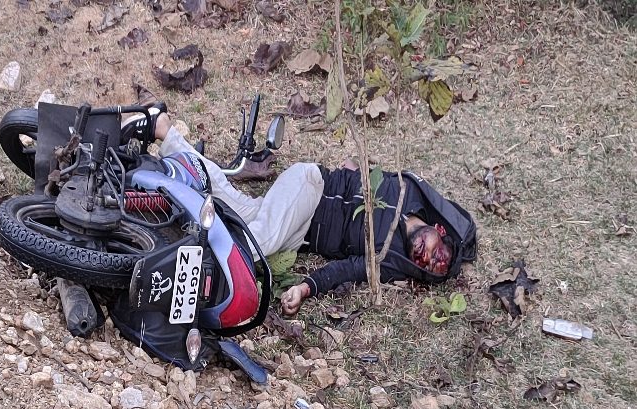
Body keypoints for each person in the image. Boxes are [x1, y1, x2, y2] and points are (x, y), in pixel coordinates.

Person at [129, 109, 478, 317]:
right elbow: (359, 170)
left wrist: (305, 288)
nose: (425, 257)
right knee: (258, 243)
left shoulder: (393, 258)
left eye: (428, 266)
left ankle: (164, 131)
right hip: (310, 187)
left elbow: (349, 269)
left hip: (301, 231)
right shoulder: (406, 190)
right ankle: (187, 271)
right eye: (437, 254)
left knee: (231, 208)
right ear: (439, 230)